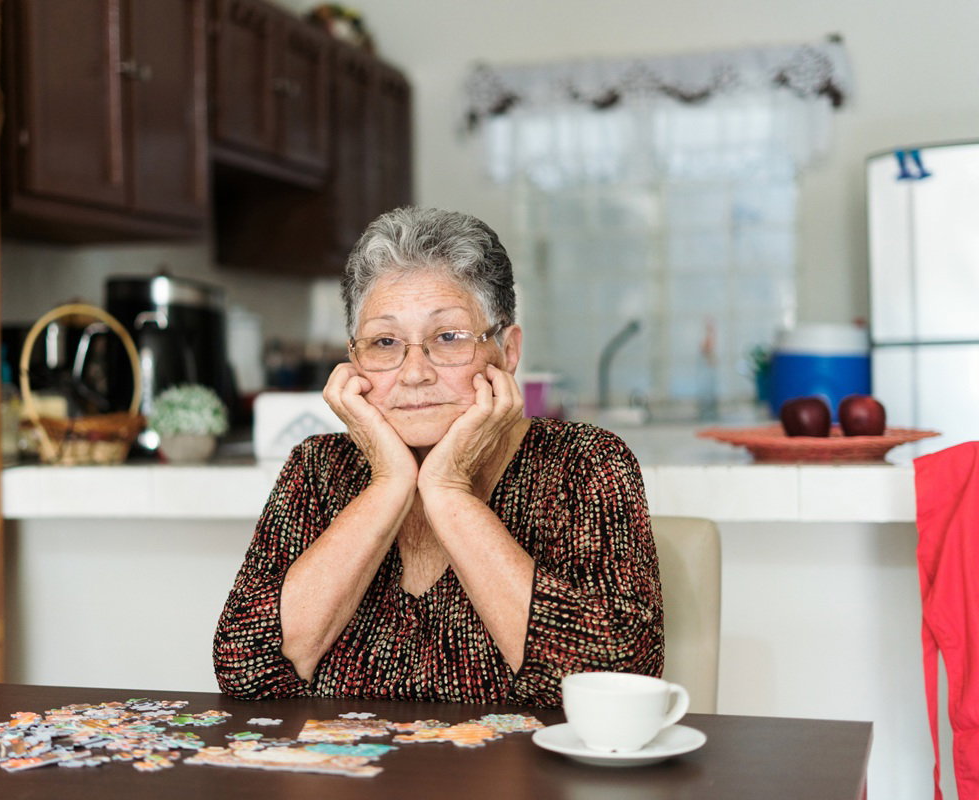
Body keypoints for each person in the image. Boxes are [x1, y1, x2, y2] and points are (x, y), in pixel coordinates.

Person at [213, 207, 662, 707]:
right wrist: (389, 483)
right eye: (385, 342)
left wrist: (448, 493)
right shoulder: (318, 469)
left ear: (507, 351)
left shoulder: (583, 462)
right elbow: (246, 671)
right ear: (354, 358)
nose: (413, 373)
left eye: (447, 337)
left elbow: (614, 681)